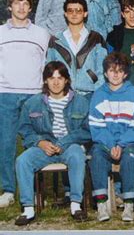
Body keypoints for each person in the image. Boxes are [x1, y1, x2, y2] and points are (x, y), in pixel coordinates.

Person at [15, 61, 91, 225]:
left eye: (60, 78)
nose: (56, 82)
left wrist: (65, 142)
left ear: (66, 80)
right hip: (45, 147)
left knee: (78, 155)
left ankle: (76, 205)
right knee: (22, 160)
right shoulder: (33, 103)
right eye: (51, 78)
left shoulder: (81, 102)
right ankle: (28, 208)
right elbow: (25, 129)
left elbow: (87, 131)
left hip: (70, 145)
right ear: (45, 81)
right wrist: (40, 142)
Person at [0, 0, 50, 208]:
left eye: (25, 4)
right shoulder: (0, 32)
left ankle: (38, 191)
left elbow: (47, 65)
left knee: (36, 143)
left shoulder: (42, 34)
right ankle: (9, 190)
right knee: (6, 143)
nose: (21, 7)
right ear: (9, 7)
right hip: (6, 94)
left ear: (30, 8)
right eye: (16, 3)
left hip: (33, 95)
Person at [88, 52, 134, 222]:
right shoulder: (98, 94)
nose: (115, 74)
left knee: (130, 156)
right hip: (106, 142)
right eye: (112, 71)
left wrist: (120, 144)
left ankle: (128, 204)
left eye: (120, 71)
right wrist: (112, 144)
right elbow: (96, 126)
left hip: (129, 142)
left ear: (125, 74)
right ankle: (101, 204)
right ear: (105, 73)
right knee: (96, 155)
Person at [47, 0, 108, 99]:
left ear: (85, 13)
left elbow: (103, 69)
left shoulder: (96, 38)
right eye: (70, 11)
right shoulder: (56, 40)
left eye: (78, 11)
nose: (74, 14)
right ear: (65, 14)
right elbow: (48, 69)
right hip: (62, 95)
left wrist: (97, 92)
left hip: (90, 95)